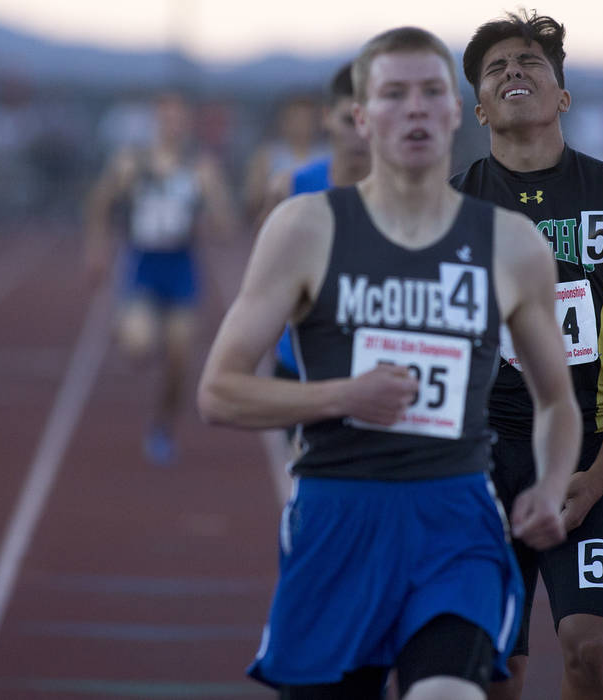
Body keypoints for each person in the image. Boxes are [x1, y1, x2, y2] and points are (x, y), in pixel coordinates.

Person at [197, 26, 582, 700]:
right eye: (394, 94)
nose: (415, 109)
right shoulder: (304, 227)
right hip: (337, 516)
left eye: (432, 92)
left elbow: (557, 400)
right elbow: (220, 392)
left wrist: (550, 488)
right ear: (361, 117)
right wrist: (344, 396)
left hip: (455, 515)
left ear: (456, 111)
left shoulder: (511, 244)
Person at [451, 11, 603, 700]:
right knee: (495, 671)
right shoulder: (452, 209)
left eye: (530, 63)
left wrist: (602, 476)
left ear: (563, 97)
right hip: (481, 462)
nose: (514, 71)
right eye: (496, 69)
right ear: (480, 107)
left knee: (592, 655)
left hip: (582, 454)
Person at [85, 91, 237, 465]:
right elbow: (99, 203)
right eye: (166, 117)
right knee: (139, 346)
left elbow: (226, 227)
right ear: (156, 121)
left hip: (181, 266)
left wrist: (212, 196)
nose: (173, 125)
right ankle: (129, 326)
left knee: (179, 360)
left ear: (187, 124)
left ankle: (162, 427)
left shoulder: (201, 166)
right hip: (142, 264)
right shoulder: (130, 162)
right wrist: (96, 248)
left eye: (179, 118)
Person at [267, 62, 372, 400]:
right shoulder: (293, 187)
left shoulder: (404, 195)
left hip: (369, 365)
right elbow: (265, 272)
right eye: (348, 120)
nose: (359, 134)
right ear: (326, 117)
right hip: (300, 362)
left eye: (368, 121)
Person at [243, 92, 330, 230]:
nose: (302, 124)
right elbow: (252, 200)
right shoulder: (267, 156)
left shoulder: (328, 156)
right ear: (284, 121)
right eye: (296, 118)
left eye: (307, 119)